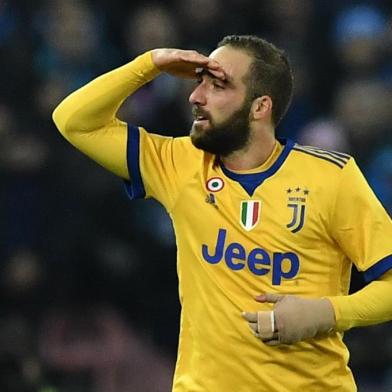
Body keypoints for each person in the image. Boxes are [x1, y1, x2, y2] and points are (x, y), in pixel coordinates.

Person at [52, 35, 392, 392]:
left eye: (218, 86)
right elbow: (74, 121)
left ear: (260, 107)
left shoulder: (330, 178)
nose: (195, 97)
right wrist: (150, 65)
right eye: (200, 82)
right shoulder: (179, 164)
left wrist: (327, 313)